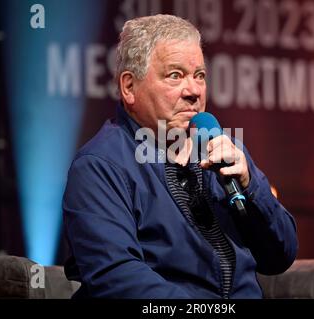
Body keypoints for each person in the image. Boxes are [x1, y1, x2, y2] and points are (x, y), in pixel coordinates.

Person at [62, 14, 298, 299]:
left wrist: (251, 186)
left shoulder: (224, 150)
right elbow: (117, 278)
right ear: (129, 87)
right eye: (175, 75)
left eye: (199, 76)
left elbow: (281, 256)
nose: (194, 91)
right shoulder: (100, 166)